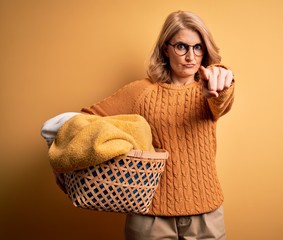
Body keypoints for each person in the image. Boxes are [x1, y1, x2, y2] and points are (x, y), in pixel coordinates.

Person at [54, 10, 234, 239]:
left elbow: (223, 99)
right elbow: (84, 119)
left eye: (198, 47)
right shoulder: (141, 92)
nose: (191, 56)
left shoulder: (211, 88)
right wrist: (63, 160)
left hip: (206, 215)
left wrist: (223, 80)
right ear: (166, 48)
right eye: (182, 47)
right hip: (150, 217)